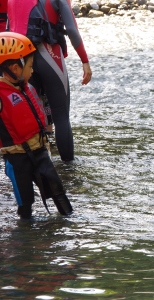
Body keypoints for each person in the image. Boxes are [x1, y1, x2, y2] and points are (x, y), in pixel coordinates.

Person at [8, 0, 93, 162]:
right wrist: (84, 60)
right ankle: (68, 170)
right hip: (50, 54)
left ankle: (35, 168)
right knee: (61, 116)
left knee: (30, 116)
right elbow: (72, 30)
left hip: (20, 60)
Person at [0, 32, 73, 219]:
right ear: (15, 69)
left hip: (39, 151)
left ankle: (70, 220)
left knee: (58, 192)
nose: (32, 71)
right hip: (17, 159)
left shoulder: (27, 87)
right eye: (30, 67)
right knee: (25, 204)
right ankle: (25, 240)